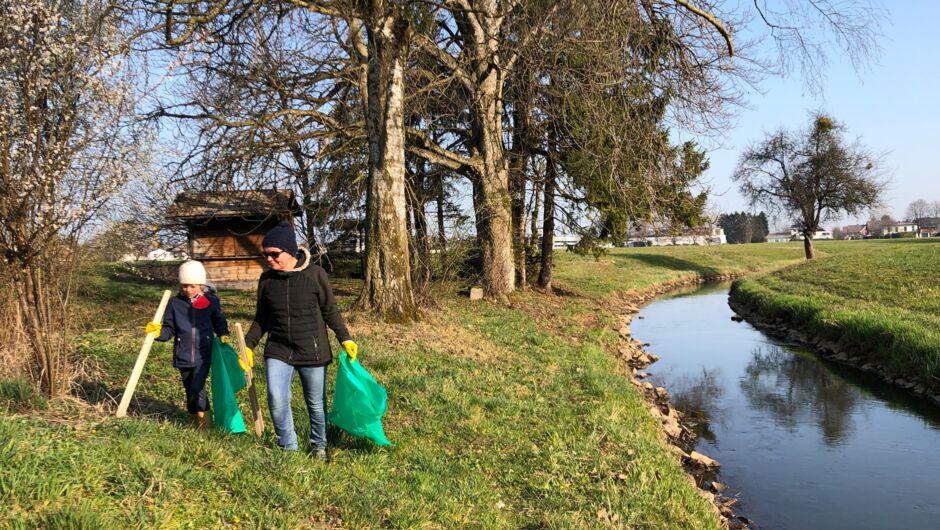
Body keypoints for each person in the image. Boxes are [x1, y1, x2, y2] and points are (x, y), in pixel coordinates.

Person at [244, 221, 358, 460]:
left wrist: (344, 338)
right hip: (278, 349)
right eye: (265, 254)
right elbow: (261, 319)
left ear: (290, 251)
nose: (269, 259)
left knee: (315, 403)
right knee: (276, 399)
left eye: (274, 254)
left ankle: (319, 446)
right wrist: (248, 344)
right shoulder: (266, 281)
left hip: (312, 350)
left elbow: (330, 311)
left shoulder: (315, 275)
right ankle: (289, 449)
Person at [146, 260, 230, 429]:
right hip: (182, 354)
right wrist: (157, 333)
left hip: (203, 353)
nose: (187, 290)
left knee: (197, 388)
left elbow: (218, 320)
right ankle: (193, 422)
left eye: (192, 286)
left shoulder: (210, 302)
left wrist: (223, 334)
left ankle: (205, 425)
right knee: (189, 389)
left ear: (200, 284)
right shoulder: (174, 304)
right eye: (184, 286)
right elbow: (169, 328)